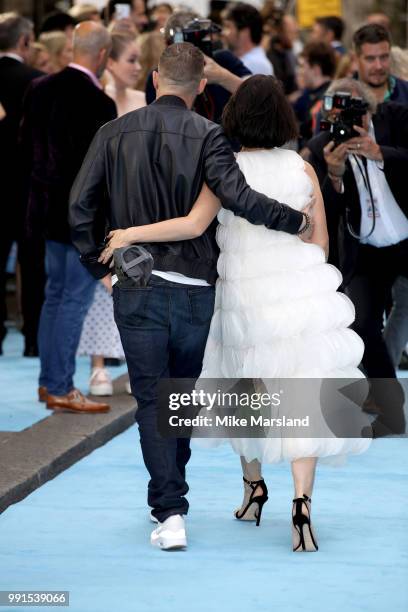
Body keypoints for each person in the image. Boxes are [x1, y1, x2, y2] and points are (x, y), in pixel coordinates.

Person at [101, 74, 371, 553]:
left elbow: (194, 224)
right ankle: (302, 503)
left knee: (244, 389)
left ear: (236, 118)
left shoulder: (225, 168)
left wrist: (131, 233)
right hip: (300, 290)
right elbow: (323, 241)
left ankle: (253, 489)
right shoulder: (302, 168)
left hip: (242, 292)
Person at [69, 42, 314, 551]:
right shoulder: (209, 135)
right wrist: (297, 221)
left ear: (156, 78)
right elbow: (239, 198)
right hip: (196, 290)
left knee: (153, 400)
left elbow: (79, 208)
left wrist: (101, 269)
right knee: (174, 401)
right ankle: (170, 498)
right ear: (202, 86)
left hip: (136, 284)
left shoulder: (111, 134)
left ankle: (170, 508)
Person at [21, 21, 117, 413]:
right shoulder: (99, 103)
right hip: (81, 219)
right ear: (103, 56)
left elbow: (23, 150)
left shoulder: (38, 89)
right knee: (71, 301)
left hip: (43, 211)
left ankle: (49, 382)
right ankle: (61, 386)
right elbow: (102, 173)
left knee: (55, 298)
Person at [306, 78, 408, 437]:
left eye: (355, 111)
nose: (348, 120)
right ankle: (391, 412)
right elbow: (324, 215)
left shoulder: (398, 119)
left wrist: (380, 152)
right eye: (339, 111)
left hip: (406, 239)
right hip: (365, 251)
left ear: (370, 109)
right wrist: (334, 174)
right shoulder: (321, 148)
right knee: (363, 324)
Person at [78, 31, 145, 396]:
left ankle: (137, 362)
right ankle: (98, 366)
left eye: (138, 60)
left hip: (139, 203)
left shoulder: (141, 101)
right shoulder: (96, 100)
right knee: (101, 282)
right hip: (103, 202)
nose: (137, 67)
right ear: (111, 61)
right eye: (131, 60)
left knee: (138, 281)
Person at [0, 12, 43, 356]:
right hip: (28, 185)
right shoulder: (37, 82)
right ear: (25, 41)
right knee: (32, 264)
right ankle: (32, 338)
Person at [145, 11, 252, 124]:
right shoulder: (161, 74)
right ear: (168, 44)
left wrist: (222, 77)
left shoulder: (222, 59)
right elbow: (158, 120)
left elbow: (257, 95)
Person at [293, 41, 336, 150]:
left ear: (316, 70)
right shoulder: (308, 94)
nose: (299, 71)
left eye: (302, 66)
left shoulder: (329, 100)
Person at [353, 24, 408, 105]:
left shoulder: (405, 92)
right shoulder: (341, 97)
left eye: (384, 57)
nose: (378, 66)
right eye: (370, 59)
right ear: (356, 59)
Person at [222, 2, 274, 76]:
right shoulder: (245, 61)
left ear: (245, 32)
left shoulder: (255, 64)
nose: (223, 32)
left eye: (228, 27)